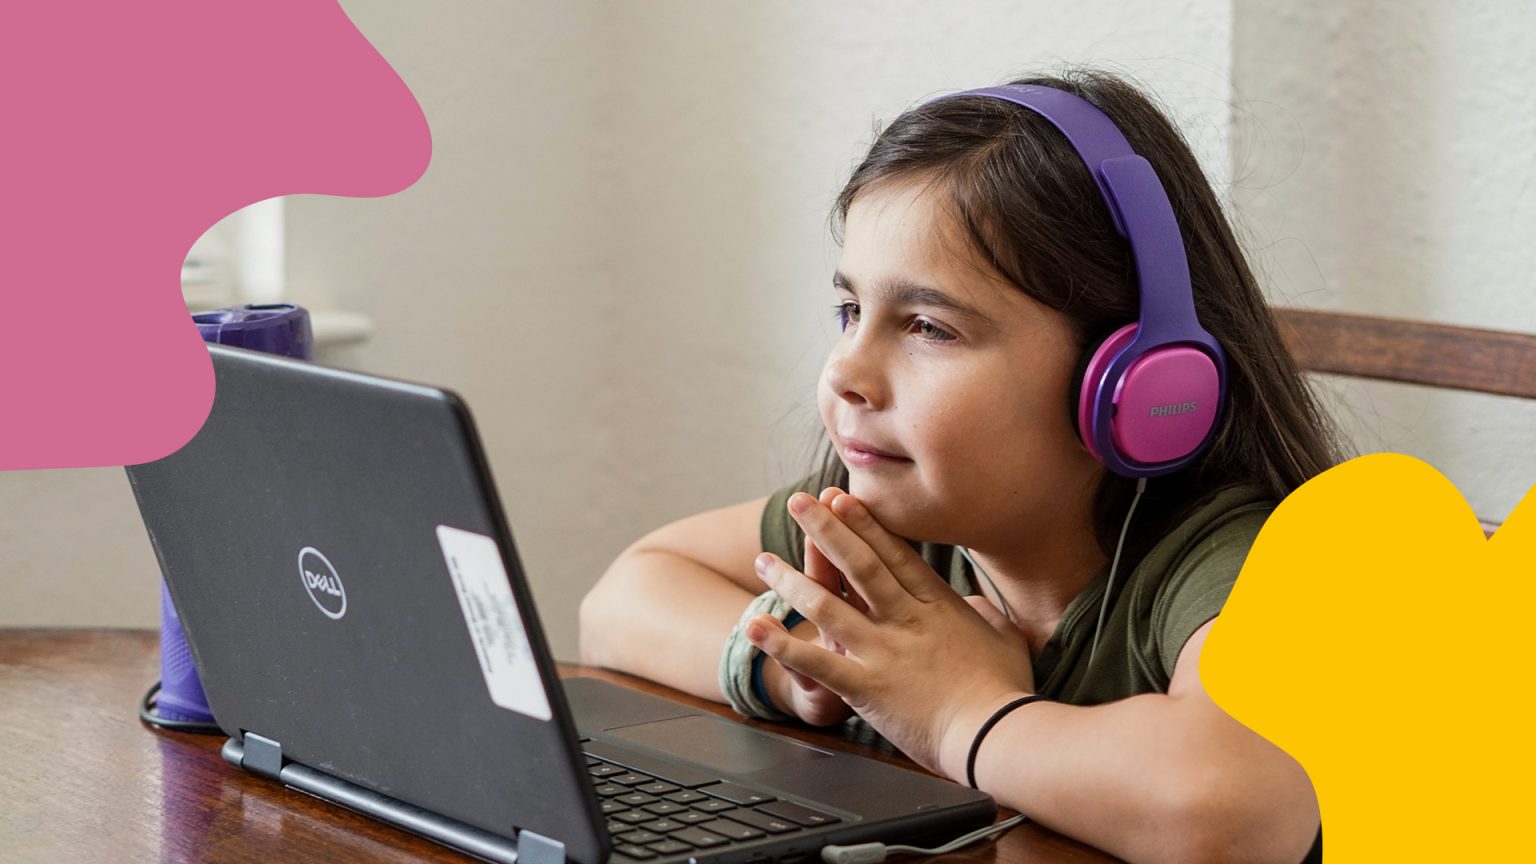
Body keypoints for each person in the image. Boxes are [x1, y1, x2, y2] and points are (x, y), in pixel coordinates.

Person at [580, 68, 1336, 864]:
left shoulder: (1230, 556)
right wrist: (797, 671)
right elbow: (622, 597)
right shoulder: (894, 518)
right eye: (850, 311)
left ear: (1131, 382)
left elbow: (1234, 813)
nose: (845, 372)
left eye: (929, 328)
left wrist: (958, 714)